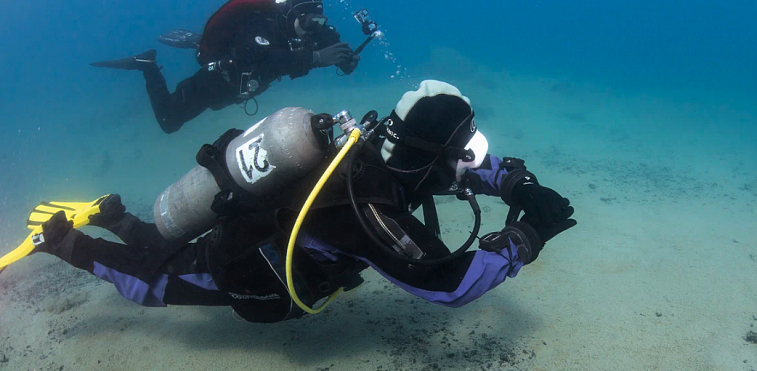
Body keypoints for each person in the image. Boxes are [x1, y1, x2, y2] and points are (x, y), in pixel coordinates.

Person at [29, 80, 577, 323]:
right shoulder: (369, 209)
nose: (474, 162)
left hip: (258, 216)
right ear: (430, 155)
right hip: (248, 257)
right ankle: (64, 244)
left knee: (165, 247)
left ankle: (118, 217)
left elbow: (458, 168)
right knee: (154, 281)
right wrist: (525, 240)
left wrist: (516, 185)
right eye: (468, 153)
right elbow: (448, 284)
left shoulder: (386, 150)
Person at [90, 0, 360, 134]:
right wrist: (314, 58)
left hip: (235, 93)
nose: (314, 27)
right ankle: (147, 66)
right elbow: (259, 58)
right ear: (292, 16)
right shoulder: (262, 27)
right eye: (309, 21)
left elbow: (331, 43)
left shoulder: (304, 29)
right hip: (214, 83)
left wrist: (346, 60)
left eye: (319, 20)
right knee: (169, 122)